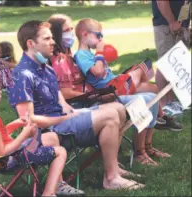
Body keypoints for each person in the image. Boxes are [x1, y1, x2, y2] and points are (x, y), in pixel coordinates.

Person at [7, 20, 145, 191]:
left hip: (64, 120)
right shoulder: (22, 75)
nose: (53, 42)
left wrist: (79, 113)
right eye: (47, 39)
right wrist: (66, 118)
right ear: (31, 43)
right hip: (48, 132)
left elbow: (62, 103)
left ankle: (114, 170)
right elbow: (28, 121)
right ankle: (111, 178)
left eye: (52, 38)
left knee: (117, 108)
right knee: (110, 116)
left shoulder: (47, 69)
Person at [48, 14, 170, 166]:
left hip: (99, 96)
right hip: (87, 104)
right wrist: (95, 96)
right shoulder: (60, 61)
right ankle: (140, 152)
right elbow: (65, 93)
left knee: (150, 96)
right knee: (143, 100)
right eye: (67, 30)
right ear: (57, 34)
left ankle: (146, 146)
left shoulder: (70, 56)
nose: (72, 33)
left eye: (72, 29)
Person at [0, 68, 68, 197]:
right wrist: (24, 134)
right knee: (61, 151)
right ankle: (48, 192)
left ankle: (58, 183)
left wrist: (14, 124)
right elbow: (1, 152)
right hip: (11, 160)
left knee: (51, 137)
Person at [74, 18, 182, 132]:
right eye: (98, 35)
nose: (101, 39)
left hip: (116, 84)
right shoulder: (81, 55)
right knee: (140, 70)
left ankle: (160, 118)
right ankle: (161, 117)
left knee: (153, 88)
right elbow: (98, 72)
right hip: (109, 91)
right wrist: (100, 53)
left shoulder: (89, 54)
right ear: (85, 34)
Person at [152, 0, 191, 114]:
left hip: (180, 24)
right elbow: (161, 2)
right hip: (166, 25)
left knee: (175, 64)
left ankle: (170, 101)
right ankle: (163, 104)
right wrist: (172, 22)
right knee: (165, 64)